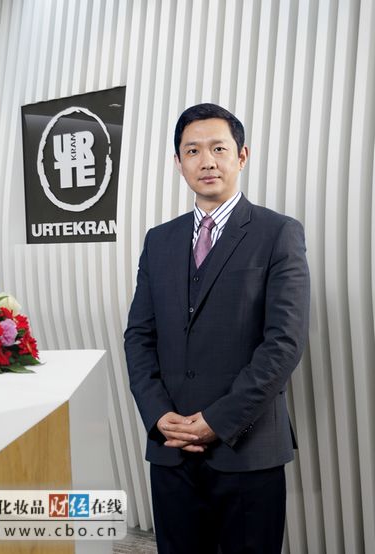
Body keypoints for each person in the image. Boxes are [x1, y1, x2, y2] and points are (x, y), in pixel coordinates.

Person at [124, 103, 310, 554]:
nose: (206, 160)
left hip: (247, 450)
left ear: (241, 156)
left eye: (218, 148)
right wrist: (159, 416)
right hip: (170, 449)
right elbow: (139, 337)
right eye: (192, 150)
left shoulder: (278, 233)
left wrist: (216, 421)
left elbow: (283, 343)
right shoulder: (159, 240)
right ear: (178, 162)